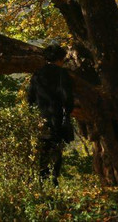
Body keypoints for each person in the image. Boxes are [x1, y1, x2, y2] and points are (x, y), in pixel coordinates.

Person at [27, 43, 75, 185]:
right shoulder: (62, 74)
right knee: (56, 151)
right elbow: (67, 98)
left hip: (40, 119)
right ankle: (54, 182)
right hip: (57, 118)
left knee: (42, 152)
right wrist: (69, 112)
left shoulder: (37, 75)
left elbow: (30, 98)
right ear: (59, 58)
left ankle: (42, 183)